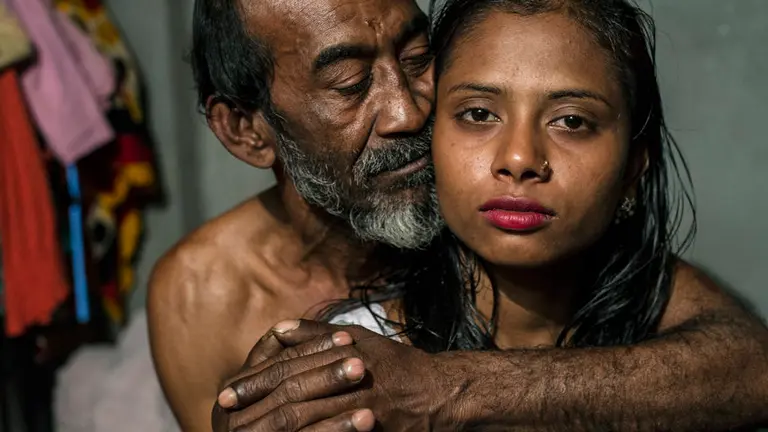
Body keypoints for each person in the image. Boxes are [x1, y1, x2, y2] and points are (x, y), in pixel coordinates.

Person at [148, 0, 768, 430]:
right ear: (246, 130)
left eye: (419, 58)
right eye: (349, 83)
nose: (408, 113)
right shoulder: (206, 297)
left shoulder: (501, 206)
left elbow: (745, 364)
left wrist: (444, 392)